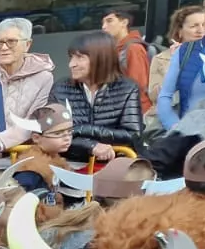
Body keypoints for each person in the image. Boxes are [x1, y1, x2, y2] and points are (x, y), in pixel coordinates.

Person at [0, 18, 58, 163]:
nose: (4, 48)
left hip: (23, 161)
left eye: (11, 41)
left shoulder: (44, 79)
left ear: (27, 44)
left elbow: (33, 123)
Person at [53, 31, 142, 163]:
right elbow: (52, 135)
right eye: (71, 57)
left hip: (114, 162)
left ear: (100, 59)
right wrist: (91, 146)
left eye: (80, 57)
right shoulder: (61, 88)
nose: (71, 64)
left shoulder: (127, 88)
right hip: (68, 161)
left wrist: (80, 129)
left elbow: (131, 135)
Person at [150, 6, 205, 128]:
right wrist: (174, 62)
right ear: (179, 31)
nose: (201, 30)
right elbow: (155, 96)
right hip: (175, 121)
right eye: (194, 26)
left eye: (204, 24)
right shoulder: (162, 58)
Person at [103, 8, 153, 114]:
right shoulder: (116, 49)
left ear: (124, 22)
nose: (104, 27)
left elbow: (138, 86)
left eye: (109, 21)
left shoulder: (133, 48)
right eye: (103, 23)